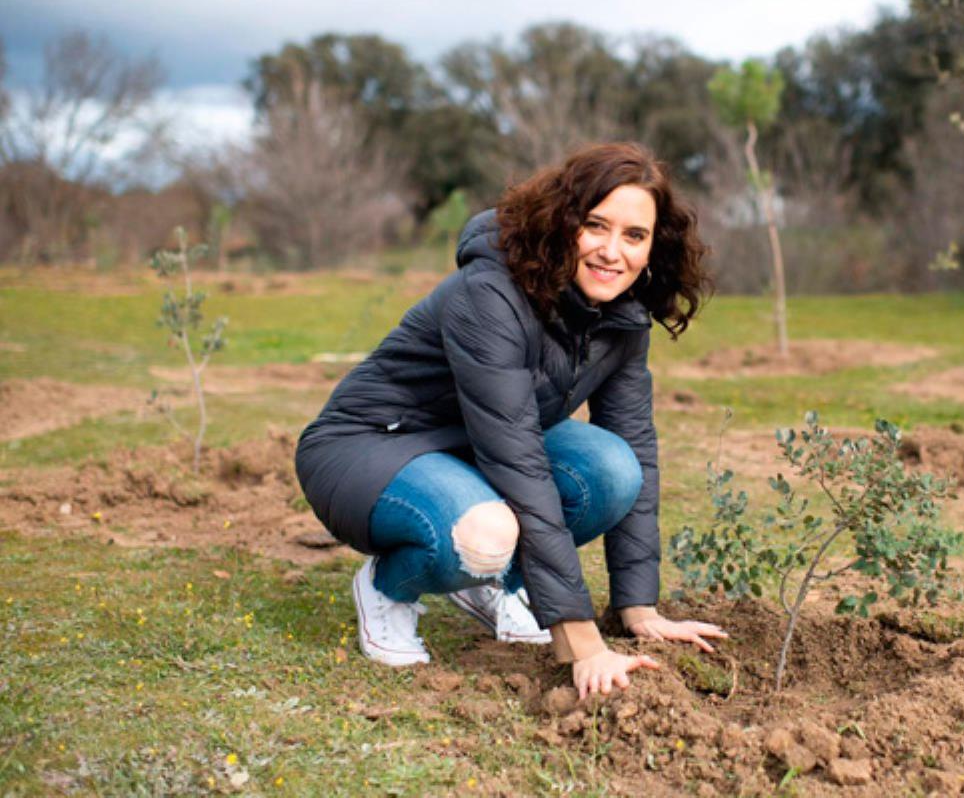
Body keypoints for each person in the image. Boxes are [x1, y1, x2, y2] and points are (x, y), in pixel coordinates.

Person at [295, 142, 726, 699]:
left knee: (615, 470)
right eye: (595, 225)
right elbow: (518, 460)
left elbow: (634, 443)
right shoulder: (491, 292)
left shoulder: (622, 316)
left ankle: (496, 584)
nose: (612, 251)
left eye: (634, 235)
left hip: (473, 446)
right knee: (484, 535)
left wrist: (638, 607)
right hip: (372, 444)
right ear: (563, 220)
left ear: (653, 245)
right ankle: (388, 587)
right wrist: (582, 644)